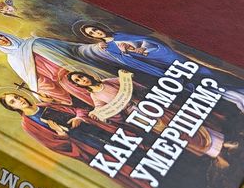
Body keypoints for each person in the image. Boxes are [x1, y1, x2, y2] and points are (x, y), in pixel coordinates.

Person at [0, 90, 186, 188]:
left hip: (96, 130)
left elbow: (78, 110)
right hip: (87, 145)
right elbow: (52, 144)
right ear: (11, 108)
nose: (19, 100)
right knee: (127, 165)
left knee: (137, 149)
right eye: (13, 101)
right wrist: (62, 134)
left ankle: (177, 172)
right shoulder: (29, 125)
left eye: (17, 96)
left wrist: (78, 118)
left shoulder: (44, 105)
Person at [73, 21, 244, 114]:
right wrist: (126, 52)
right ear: (92, 37)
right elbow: (131, 62)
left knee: (206, 72)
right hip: (159, 65)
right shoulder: (110, 49)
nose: (96, 32)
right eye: (92, 33)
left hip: (165, 56)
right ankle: (243, 98)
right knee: (198, 84)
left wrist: (138, 49)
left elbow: (149, 42)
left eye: (95, 28)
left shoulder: (120, 34)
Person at [66, 71, 234, 168]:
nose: (82, 80)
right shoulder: (95, 97)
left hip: (149, 106)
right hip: (139, 117)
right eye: (78, 81)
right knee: (174, 134)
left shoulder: (109, 81)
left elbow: (137, 87)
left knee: (183, 121)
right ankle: (214, 154)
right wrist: (101, 114)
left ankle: (222, 143)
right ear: (79, 85)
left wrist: (136, 86)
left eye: (81, 76)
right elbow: (112, 114)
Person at [0, 28, 96, 107]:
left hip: (78, 69)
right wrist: (40, 92)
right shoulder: (13, 59)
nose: (0, 40)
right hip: (64, 82)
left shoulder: (34, 42)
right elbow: (34, 79)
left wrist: (92, 49)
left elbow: (68, 48)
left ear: (4, 34)